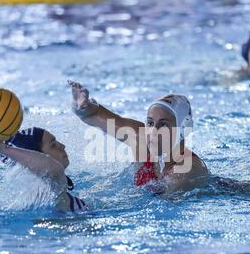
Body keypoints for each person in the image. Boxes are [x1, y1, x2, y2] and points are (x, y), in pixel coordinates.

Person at [68, 80, 210, 195]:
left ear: (182, 129)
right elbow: (93, 116)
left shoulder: (185, 173)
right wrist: (83, 107)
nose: (152, 131)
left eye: (163, 125)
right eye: (150, 123)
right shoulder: (142, 139)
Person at [0, 127, 88, 212]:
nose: (62, 146)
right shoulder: (54, 185)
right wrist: (2, 148)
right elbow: (52, 169)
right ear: (36, 157)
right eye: (53, 145)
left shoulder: (16, 198)